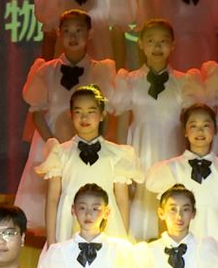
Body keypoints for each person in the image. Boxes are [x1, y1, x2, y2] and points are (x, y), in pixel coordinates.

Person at [15, 9, 118, 236]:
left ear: (89, 34)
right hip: (50, 141)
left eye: (79, 31)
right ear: (59, 34)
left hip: (86, 142)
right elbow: (37, 113)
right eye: (68, 31)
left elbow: (105, 113)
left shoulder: (100, 70)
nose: (73, 37)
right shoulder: (45, 70)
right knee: (53, 200)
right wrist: (55, 145)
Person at [112, 20, 204, 241]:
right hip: (141, 148)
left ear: (173, 45)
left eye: (163, 41)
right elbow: (122, 124)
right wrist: (123, 161)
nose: (157, 47)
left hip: (172, 148)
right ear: (141, 44)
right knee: (142, 197)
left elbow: (192, 123)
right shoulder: (130, 81)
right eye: (151, 41)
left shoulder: (184, 81)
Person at [37, 85, 142, 244]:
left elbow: (122, 199)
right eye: (78, 112)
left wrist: (124, 237)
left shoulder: (116, 154)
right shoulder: (60, 153)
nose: (84, 118)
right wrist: (51, 241)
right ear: (71, 115)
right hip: (69, 222)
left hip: (107, 223)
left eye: (91, 112)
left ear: (102, 115)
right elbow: (52, 198)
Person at [146, 104, 218, 240]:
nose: (200, 131)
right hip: (184, 241)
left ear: (215, 129)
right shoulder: (171, 168)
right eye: (193, 126)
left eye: (206, 125)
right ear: (185, 131)